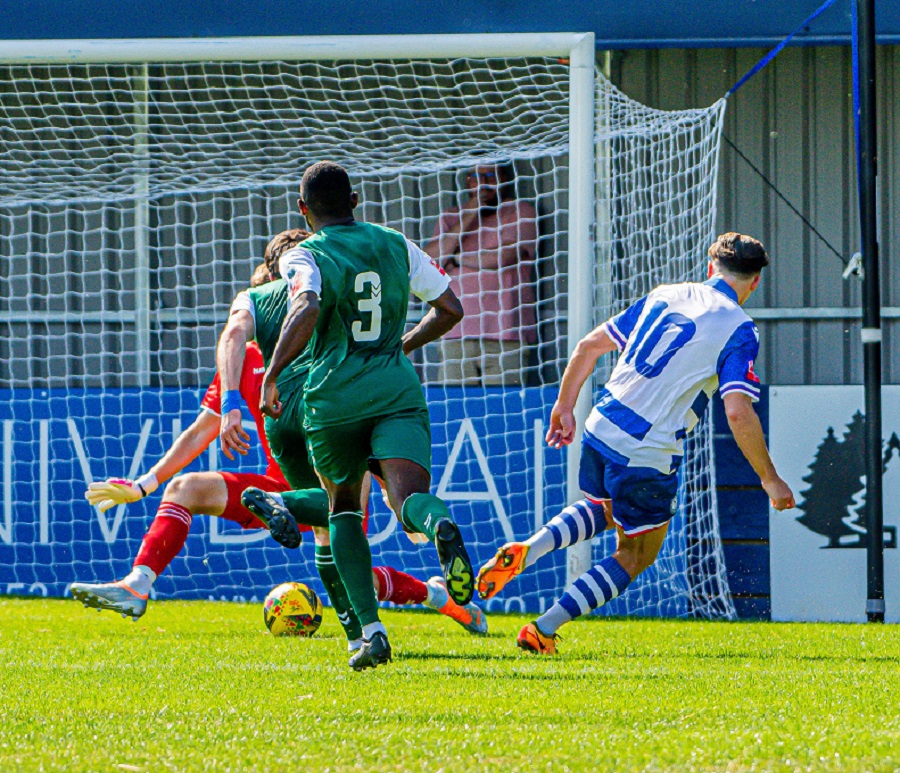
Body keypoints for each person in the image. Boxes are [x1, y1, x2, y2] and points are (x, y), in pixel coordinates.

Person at [71, 253, 486, 638]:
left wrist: (389, 493)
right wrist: (144, 483)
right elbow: (202, 430)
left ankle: (436, 598)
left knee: (350, 575)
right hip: (273, 492)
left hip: (334, 483)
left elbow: (363, 425)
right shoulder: (246, 358)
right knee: (184, 488)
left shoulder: (332, 346)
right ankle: (137, 584)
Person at [476, 232, 796, 653]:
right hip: (646, 449)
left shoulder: (667, 293)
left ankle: (531, 548)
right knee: (636, 554)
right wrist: (769, 478)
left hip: (601, 423)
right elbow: (737, 410)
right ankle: (543, 629)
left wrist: (564, 406)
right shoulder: (739, 329)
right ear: (754, 283)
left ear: (708, 267)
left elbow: (589, 346)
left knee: (605, 510)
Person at [219, 231, 485, 644]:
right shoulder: (329, 275)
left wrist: (233, 400)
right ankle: (366, 618)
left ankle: (358, 635)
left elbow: (234, 334)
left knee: (331, 520)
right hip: (327, 398)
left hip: (276, 414)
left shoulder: (253, 298)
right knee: (347, 510)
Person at [261, 161, 473, 671]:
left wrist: (272, 373)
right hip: (394, 389)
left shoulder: (304, 253)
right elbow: (450, 308)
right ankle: (439, 522)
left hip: (334, 398)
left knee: (343, 512)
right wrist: (403, 343)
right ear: (355, 200)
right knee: (407, 500)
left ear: (303, 209)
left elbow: (306, 306)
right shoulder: (395, 243)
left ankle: (370, 634)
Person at [424, 161, 538, 386]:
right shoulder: (450, 217)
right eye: (476, 176)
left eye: (490, 175)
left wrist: (455, 258)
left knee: (505, 410)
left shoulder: (520, 211)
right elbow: (431, 261)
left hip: (506, 334)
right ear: (468, 182)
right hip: (456, 333)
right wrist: (471, 212)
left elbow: (501, 257)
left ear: (504, 179)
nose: (483, 183)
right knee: (455, 409)